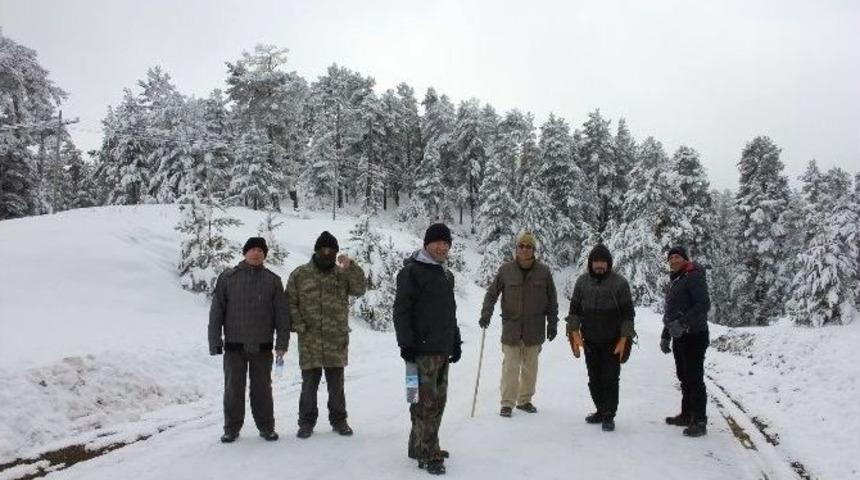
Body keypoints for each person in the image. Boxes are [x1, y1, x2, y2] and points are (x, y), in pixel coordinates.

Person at [394, 223, 462, 476]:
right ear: (426, 244)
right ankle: (429, 452)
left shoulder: (446, 274)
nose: (442, 247)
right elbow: (401, 311)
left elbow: (450, 313)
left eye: (446, 243)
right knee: (425, 403)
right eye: (438, 242)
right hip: (420, 351)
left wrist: (455, 340)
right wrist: (406, 344)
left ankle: (418, 445)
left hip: (442, 349)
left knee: (436, 401)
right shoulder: (412, 272)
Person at [208, 237, 290, 443]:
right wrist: (215, 341)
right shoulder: (228, 278)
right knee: (233, 390)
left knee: (263, 390)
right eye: (252, 249)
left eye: (260, 250)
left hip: (262, 348)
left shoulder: (273, 280)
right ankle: (231, 429)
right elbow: (216, 312)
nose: (256, 253)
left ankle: (267, 427)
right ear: (245, 253)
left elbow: (282, 316)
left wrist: (282, 344)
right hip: (234, 348)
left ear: (264, 255)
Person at [287, 231, 366, 439]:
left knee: (336, 385)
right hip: (310, 339)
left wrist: (351, 266)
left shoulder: (342, 274)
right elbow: (290, 302)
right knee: (309, 385)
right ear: (316, 250)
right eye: (324, 249)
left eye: (331, 250)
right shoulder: (300, 274)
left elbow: (359, 289)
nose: (327, 253)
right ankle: (306, 423)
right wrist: (299, 325)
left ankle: (339, 420)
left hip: (335, 339)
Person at [479, 231, 559, 417]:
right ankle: (507, 403)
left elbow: (552, 300)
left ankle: (524, 401)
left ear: (534, 250)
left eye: (529, 246)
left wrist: (552, 323)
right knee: (510, 368)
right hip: (511, 328)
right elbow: (491, 294)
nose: (524, 249)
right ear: (516, 248)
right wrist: (486, 314)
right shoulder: (505, 270)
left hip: (534, 328)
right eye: (521, 246)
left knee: (530, 369)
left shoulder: (544, 272)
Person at [565, 244, 635, 432]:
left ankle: (609, 415)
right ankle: (600, 410)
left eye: (603, 262)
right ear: (590, 263)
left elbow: (628, 314)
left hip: (613, 342)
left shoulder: (619, 283)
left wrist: (625, 337)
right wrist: (573, 331)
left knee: (610, 379)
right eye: (596, 261)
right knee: (594, 378)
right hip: (590, 341)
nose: (599, 265)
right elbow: (574, 310)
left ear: (608, 263)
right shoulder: (582, 282)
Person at [661, 246, 711, 437]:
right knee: (684, 376)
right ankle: (687, 414)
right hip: (680, 336)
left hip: (695, 335)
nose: (673, 260)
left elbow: (703, 304)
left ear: (685, 259)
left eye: (677, 257)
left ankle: (699, 420)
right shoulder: (677, 279)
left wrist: (682, 323)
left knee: (694, 378)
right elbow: (672, 312)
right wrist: (666, 334)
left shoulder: (693, 275)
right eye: (671, 258)